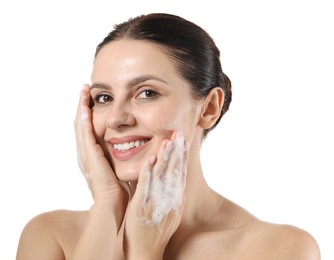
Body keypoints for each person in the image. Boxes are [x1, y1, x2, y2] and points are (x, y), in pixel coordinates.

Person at [16, 13, 320, 259]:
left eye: (146, 93)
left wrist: (145, 252)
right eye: (104, 98)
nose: (118, 119)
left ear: (209, 107)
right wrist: (107, 204)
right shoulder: (50, 236)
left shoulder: (279, 249)